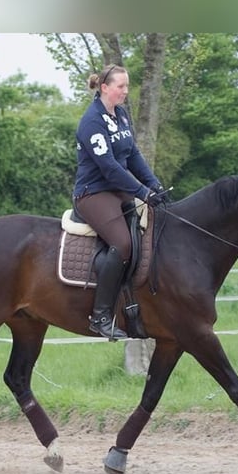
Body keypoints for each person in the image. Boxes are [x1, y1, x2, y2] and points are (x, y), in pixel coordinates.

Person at [73, 64, 167, 340]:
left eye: (127, 86)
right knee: (123, 243)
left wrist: (154, 185)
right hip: (93, 193)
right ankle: (100, 316)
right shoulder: (92, 121)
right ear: (104, 88)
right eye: (121, 87)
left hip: (118, 190)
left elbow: (133, 155)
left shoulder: (122, 115)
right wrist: (142, 192)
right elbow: (110, 168)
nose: (126, 92)